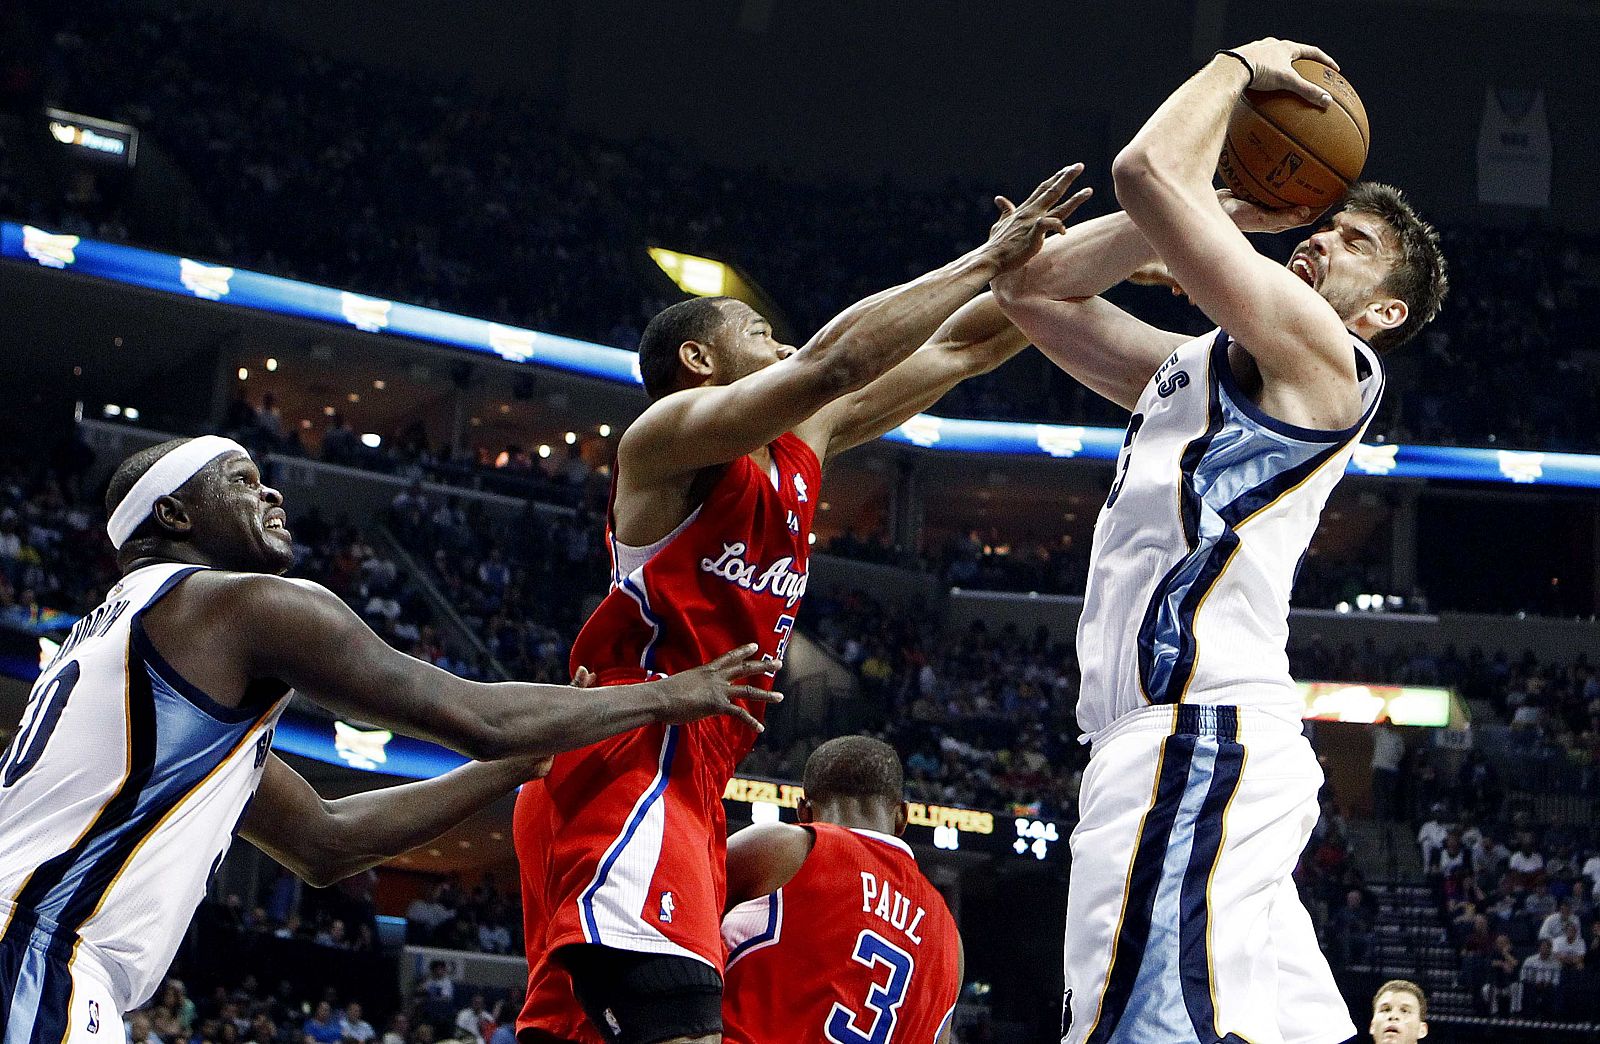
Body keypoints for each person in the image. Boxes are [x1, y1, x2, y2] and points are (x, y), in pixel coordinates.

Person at [515, 166, 1092, 1044]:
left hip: (696, 778)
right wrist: (983, 258)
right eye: (758, 329)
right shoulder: (664, 440)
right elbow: (837, 358)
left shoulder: (803, 440)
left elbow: (962, 348)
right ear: (700, 361)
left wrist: (1124, 248)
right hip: (635, 759)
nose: (781, 342)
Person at [0, 437, 774, 1044]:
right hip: (37, 950)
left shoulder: (130, 652)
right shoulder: (234, 606)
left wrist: (510, 769)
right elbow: (474, 714)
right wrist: (671, 694)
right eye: (240, 479)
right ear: (174, 516)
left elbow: (326, 843)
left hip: (47, 952)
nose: (271, 491)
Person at [993, 37, 1448, 1044]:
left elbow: (1146, 171)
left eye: (1357, 244)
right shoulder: (1197, 364)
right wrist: (1230, 215)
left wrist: (1241, 65)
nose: (1324, 239)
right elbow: (1026, 289)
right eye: (1327, 225)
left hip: (1195, 738)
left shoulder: (1330, 363)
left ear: (1382, 311)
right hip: (1189, 747)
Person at [719, 737, 961, 1044]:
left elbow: (672, 903)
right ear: (901, 817)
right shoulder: (951, 941)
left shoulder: (787, 848)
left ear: (803, 812)